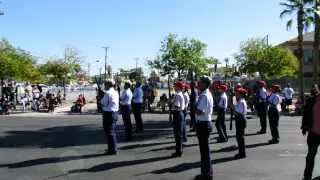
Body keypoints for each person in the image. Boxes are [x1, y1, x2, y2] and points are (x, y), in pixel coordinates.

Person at [192, 76, 214, 180]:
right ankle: (206, 172)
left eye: (200, 83)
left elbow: (199, 111)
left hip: (204, 124)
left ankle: (207, 174)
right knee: (204, 151)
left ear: (205, 84)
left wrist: (193, 106)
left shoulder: (205, 95)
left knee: (205, 152)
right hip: (203, 123)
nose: (198, 84)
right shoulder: (204, 94)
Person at [301, 91, 320, 180]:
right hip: (313, 133)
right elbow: (305, 114)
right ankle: (307, 176)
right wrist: (304, 126)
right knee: (310, 156)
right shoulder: (312, 100)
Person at [100, 79, 119, 155]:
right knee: (112, 131)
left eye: (105, 84)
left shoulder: (108, 93)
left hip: (109, 113)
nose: (104, 86)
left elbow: (104, 103)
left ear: (107, 85)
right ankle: (112, 147)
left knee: (109, 132)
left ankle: (113, 149)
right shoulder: (115, 92)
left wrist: (101, 98)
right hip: (114, 113)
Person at [170, 81, 185, 158]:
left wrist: (171, 103)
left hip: (177, 113)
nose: (174, 87)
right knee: (178, 133)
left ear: (179, 87)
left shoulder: (178, 95)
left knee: (178, 133)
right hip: (178, 113)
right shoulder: (179, 94)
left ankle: (179, 151)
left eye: (175, 86)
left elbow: (177, 106)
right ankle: (179, 149)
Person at [234, 88, 248, 159]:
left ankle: (242, 153)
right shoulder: (239, 101)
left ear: (241, 94)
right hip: (239, 119)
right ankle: (241, 152)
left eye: (238, 93)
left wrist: (232, 107)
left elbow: (238, 112)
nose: (236, 94)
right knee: (239, 136)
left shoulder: (241, 102)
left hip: (240, 119)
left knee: (240, 137)